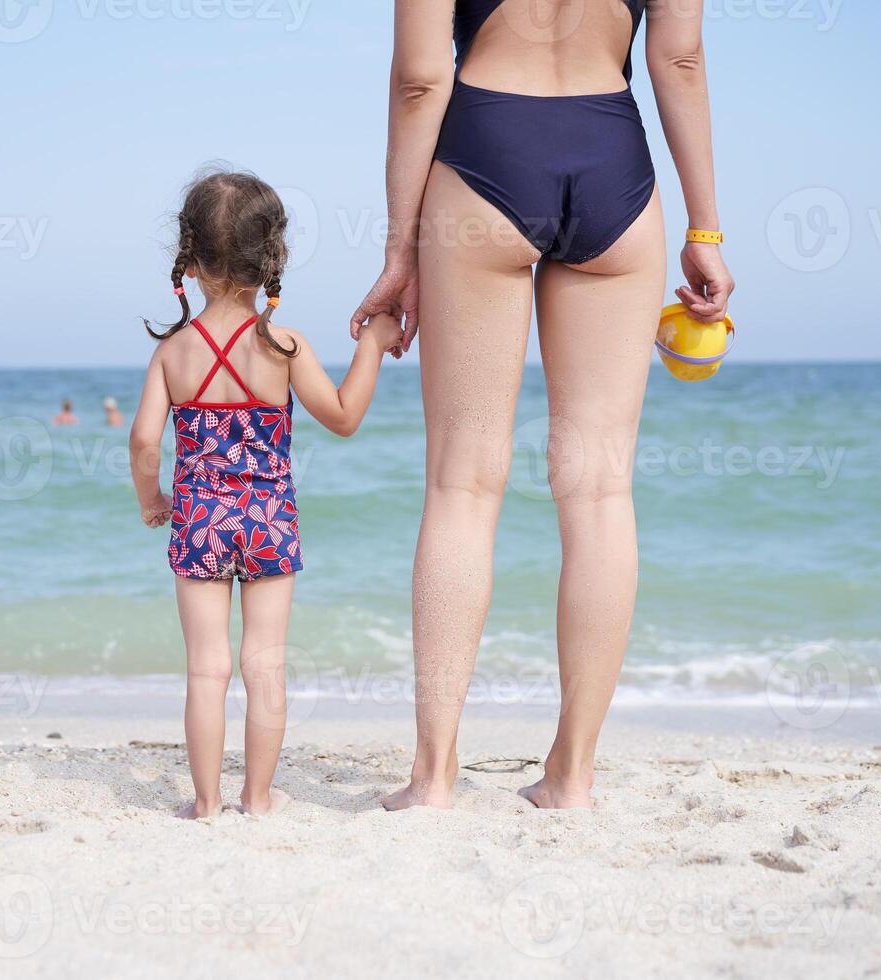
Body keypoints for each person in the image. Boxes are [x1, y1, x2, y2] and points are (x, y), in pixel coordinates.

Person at [351, 0, 736, 810]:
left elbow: (422, 79)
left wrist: (399, 245)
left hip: (486, 149)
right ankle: (572, 777)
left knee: (463, 482)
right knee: (598, 488)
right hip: (614, 163)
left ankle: (434, 777)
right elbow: (681, 61)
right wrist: (707, 229)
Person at [129, 170, 404, 819]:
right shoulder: (284, 346)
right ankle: (256, 797)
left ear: (190, 259)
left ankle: (204, 803)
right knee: (265, 663)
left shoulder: (173, 352)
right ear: (271, 257)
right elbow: (341, 416)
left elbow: (143, 442)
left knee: (207, 667)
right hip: (269, 519)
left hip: (198, 518)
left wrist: (153, 500)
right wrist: (371, 343)